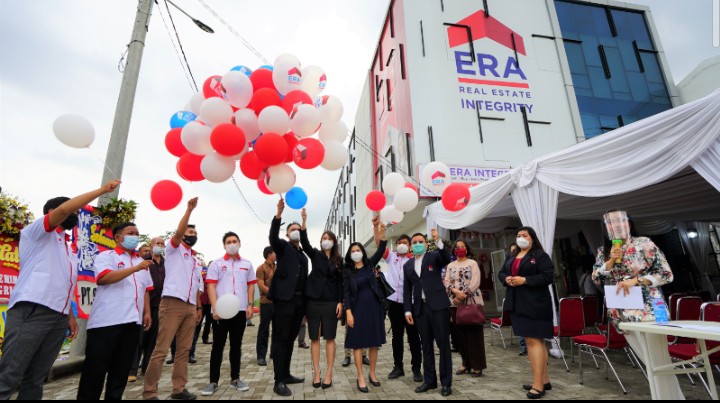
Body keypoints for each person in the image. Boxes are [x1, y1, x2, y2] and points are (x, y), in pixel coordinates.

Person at [0, 180, 120, 400]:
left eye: (76, 212)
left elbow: (66, 285)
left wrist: (70, 316)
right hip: (33, 310)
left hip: (58, 316)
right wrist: (103, 190)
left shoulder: (68, 250)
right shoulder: (36, 233)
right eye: (72, 210)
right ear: (51, 212)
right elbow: (64, 210)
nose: (74, 215)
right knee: (10, 373)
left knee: (36, 376)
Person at [592, 209, 681, 399]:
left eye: (620, 222)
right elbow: (596, 278)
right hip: (621, 312)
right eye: (610, 224)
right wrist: (610, 261)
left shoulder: (644, 244)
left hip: (649, 309)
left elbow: (666, 274)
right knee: (647, 362)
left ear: (629, 224)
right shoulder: (603, 251)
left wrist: (637, 280)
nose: (616, 226)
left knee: (658, 360)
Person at [77, 222, 154, 400]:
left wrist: (147, 313)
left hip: (132, 322)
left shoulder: (141, 262)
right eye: (130, 233)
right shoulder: (106, 256)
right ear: (118, 237)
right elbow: (104, 278)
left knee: (120, 373)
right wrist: (134, 269)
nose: (135, 237)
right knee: (94, 372)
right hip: (106, 322)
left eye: (137, 233)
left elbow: (146, 289)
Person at [143, 198, 203, 401]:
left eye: (195, 233)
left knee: (184, 350)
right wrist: (189, 211)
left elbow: (196, 285)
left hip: (190, 306)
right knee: (161, 349)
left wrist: (198, 307)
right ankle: (149, 392)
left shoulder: (194, 258)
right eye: (190, 232)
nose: (192, 235)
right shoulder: (173, 249)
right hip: (172, 303)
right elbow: (177, 234)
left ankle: (179, 388)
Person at [499, 227, 554, 400]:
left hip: (535, 304)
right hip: (517, 303)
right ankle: (544, 380)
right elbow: (501, 272)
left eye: (525, 235)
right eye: (518, 235)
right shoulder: (512, 255)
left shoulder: (540, 255)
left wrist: (525, 280)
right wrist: (506, 279)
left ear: (532, 238)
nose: (521, 237)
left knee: (533, 340)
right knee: (535, 341)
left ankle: (538, 385)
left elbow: (548, 276)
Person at [201, 232, 256, 396]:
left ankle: (235, 378)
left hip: (240, 310)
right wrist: (215, 308)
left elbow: (251, 285)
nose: (232, 244)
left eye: (234, 241)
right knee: (217, 346)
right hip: (221, 311)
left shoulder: (247, 264)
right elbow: (210, 286)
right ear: (224, 245)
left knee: (236, 345)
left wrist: (250, 305)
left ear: (240, 243)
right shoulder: (216, 264)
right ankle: (213, 381)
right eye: (229, 242)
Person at [404, 230, 453, 397]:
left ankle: (446, 383)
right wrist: (407, 310)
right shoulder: (407, 265)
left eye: (420, 241)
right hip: (420, 309)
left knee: (443, 344)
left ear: (426, 244)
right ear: (411, 247)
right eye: (414, 242)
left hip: (438, 307)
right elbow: (407, 289)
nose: (417, 244)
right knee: (426, 345)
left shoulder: (433, 257)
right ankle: (429, 381)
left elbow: (446, 258)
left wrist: (438, 241)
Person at [268, 198, 309, 397]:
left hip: (299, 303)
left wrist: (305, 308)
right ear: (287, 233)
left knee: (291, 338)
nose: (296, 231)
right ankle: (278, 381)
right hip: (284, 301)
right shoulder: (283, 248)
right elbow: (272, 237)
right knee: (281, 338)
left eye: (298, 229)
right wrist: (278, 214)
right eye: (292, 229)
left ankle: (286, 374)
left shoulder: (304, 255)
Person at [299, 208, 343, 389]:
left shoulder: (339, 260)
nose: (326, 241)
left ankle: (329, 373)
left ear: (334, 242)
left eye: (329, 238)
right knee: (314, 338)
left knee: (330, 338)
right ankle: (316, 372)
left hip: (331, 302)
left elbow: (341, 283)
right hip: (314, 301)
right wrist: (304, 221)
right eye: (324, 238)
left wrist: (340, 301)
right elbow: (304, 243)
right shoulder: (315, 254)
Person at [343, 221, 388, 394]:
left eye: (358, 250)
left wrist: (381, 232)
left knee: (374, 343)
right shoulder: (347, 271)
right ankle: (360, 376)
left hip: (374, 308)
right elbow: (346, 292)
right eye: (353, 251)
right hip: (356, 310)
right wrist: (348, 312)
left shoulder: (369, 264)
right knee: (357, 343)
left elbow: (381, 249)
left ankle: (372, 373)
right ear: (350, 254)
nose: (356, 253)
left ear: (362, 252)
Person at [375, 225, 422, 382]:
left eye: (405, 243)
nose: (402, 245)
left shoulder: (414, 259)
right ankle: (398, 367)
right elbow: (379, 244)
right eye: (399, 243)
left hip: (412, 303)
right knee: (397, 336)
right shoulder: (391, 257)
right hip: (394, 303)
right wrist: (378, 230)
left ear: (410, 246)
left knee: (414, 337)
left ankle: (416, 368)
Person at [445, 240, 487, 378]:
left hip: (472, 302)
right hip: (454, 304)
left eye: (463, 246)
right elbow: (446, 282)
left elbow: (475, 281)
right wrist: (455, 292)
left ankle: (477, 365)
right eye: (457, 247)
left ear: (467, 249)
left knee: (474, 336)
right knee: (460, 337)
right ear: (454, 250)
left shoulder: (472, 263)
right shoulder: (450, 265)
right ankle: (465, 363)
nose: (460, 249)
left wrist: (463, 295)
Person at [129, 237, 166, 382]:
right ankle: (132, 370)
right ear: (151, 246)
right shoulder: (142, 262)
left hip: (159, 304)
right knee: (139, 338)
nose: (160, 246)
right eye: (157, 243)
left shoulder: (166, 263)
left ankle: (147, 369)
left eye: (162, 244)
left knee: (153, 339)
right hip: (143, 304)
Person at [256, 246, 276, 367]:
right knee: (264, 330)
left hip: (278, 303)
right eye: (274, 253)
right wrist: (274, 293)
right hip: (266, 303)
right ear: (269, 254)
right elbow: (261, 285)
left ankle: (274, 353)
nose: (276, 255)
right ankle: (261, 356)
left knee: (277, 329)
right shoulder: (261, 268)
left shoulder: (278, 267)